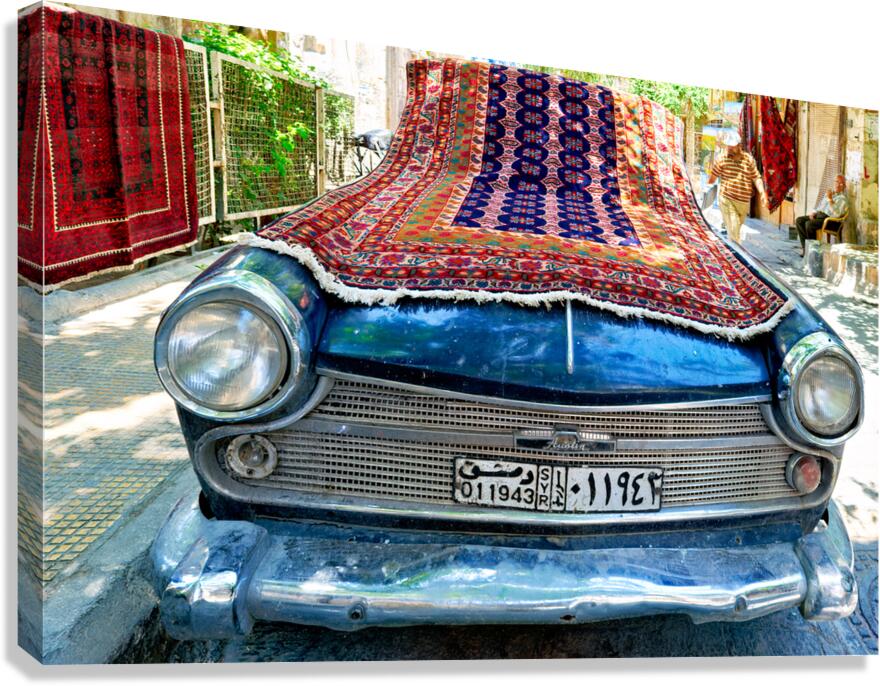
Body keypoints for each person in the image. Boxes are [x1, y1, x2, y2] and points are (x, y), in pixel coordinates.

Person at [707, 130, 768, 243]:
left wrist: (762, 193)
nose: (729, 149)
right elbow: (712, 178)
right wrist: (708, 186)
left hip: (743, 202)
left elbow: (756, 177)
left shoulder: (748, 159)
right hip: (727, 199)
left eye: (732, 147)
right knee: (734, 230)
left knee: (735, 230)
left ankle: (730, 253)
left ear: (739, 146)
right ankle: (736, 256)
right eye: (728, 146)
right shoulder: (722, 158)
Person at [794, 174, 848, 256]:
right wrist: (814, 212)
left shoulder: (842, 199)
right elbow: (820, 205)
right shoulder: (830, 194)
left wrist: (830, 200)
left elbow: (836, 214)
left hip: (829, 220)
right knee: (799, 220)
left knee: (809, 224)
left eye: (840, 183)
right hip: (819, 216)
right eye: (836, 182)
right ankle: (806, 248)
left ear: (843, 186)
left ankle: (813, 252)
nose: (837, 184)